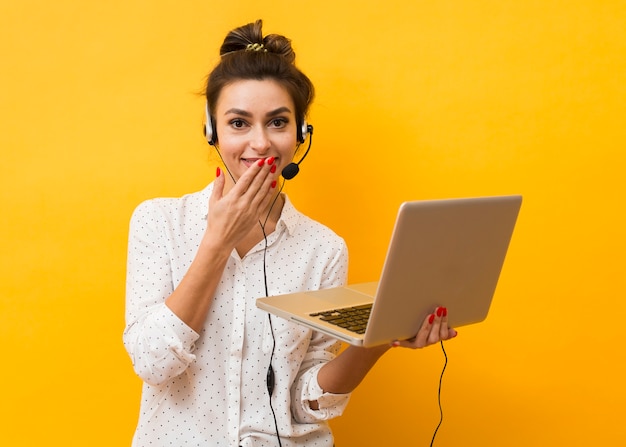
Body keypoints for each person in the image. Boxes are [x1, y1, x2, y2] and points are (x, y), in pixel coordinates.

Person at [123, 19, 457, 447]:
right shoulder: (159, 222)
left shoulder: (323, 249)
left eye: (278, 122)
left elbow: (304, 402)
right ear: (212, 131)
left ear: (301, 133)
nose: (260, 143)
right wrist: (217, 242)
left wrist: (378, 339)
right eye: (239, 123)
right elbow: (153, 363)